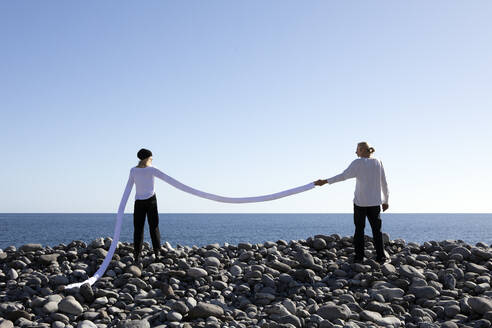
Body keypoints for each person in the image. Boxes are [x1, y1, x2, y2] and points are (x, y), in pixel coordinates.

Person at [315, 142, 389, 264]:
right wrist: (386, 201)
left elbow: (343, 176)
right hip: (375, 203)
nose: (356, 152)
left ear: (363, 150)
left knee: (359, 230)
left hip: (360, 203)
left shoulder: (358, 163)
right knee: (377, 231)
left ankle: (359, 257)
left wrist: (325, 181)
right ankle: (381, 257)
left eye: (357, 150)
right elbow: (384, 183)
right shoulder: (378, 162)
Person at [123, 148, 165, 261]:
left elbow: (128, 188)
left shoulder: (133, 170)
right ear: (147, 158)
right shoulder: (152, 169)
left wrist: (122, 205)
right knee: (154, 227)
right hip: (151, 200)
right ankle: (157, 253)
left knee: (138, 228)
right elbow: (168, 179)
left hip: (139, 202)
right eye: (151, 157)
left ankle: (137, 255)